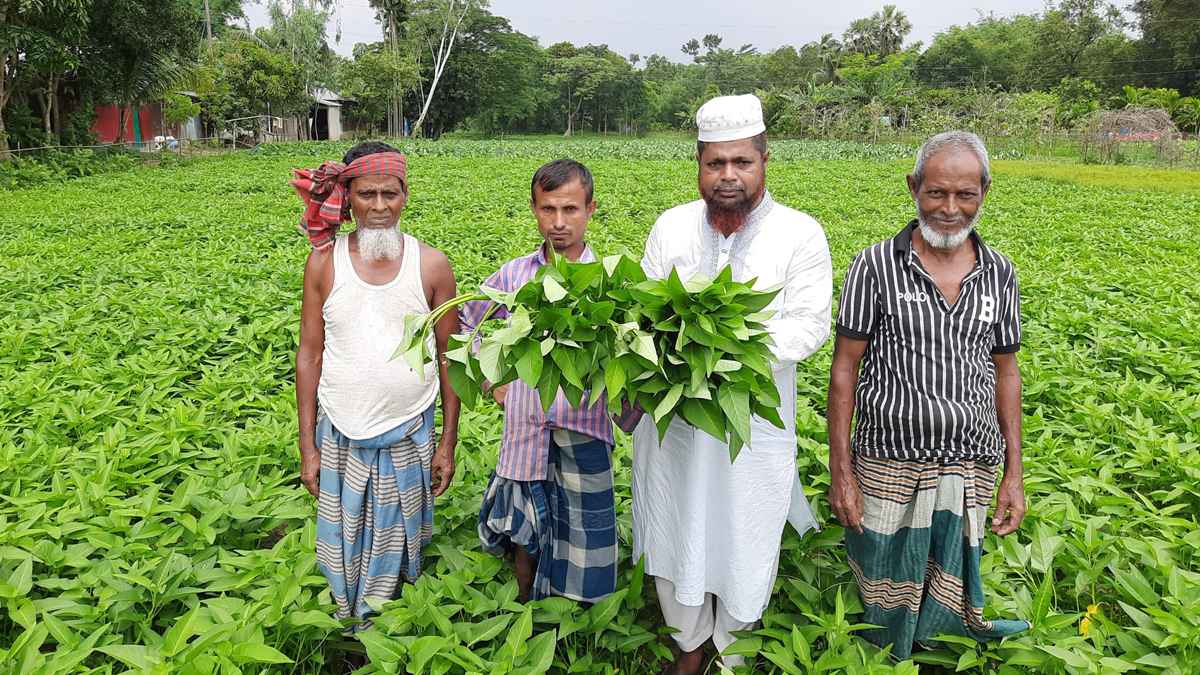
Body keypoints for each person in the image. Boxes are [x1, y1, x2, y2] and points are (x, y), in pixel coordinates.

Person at [633, 94, 832, 673]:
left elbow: (808, 324)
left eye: (741, 163)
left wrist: (725, 351)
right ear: (698, 164)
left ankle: (733, 645)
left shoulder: (800, 234)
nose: (727, 177)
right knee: (676, 520)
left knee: (745, 526)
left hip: (754, 422)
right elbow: (646, 311)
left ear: (765, 160)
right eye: (715, 163)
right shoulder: (670, 226)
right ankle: (689, 641)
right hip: (676, 422)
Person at [826, 130, 1029, 659]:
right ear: (913, 187)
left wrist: (1014, 473)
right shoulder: (875, 265)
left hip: (970, 463)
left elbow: (1007, 372)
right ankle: (881, 663)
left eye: (966, 195)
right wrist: (841, 472)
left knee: (948, 591)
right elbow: (844, 369)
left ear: (985, 192)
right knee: (883, 587)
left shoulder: (1000, 273)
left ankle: (936, 661)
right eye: (936, 193)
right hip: (888, 461)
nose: (950, 208)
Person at [292, 141, 461, 628]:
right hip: (339, 430)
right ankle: (352, 623)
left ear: (406, 194)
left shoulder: (431, 266)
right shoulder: (324, 264)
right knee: (343, 540)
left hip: (409, 430)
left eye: (391, 193)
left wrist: (447, 443)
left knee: (400, 539)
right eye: (368, 195)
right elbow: (310, 353)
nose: (380, 207)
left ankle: (387, 630)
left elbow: (450, 358)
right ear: (348, 197)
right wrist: (307, 446)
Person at [460, 159, 618, 604]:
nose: (559, 222)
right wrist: (494, 386)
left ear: (591, 209)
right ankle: (525, 607)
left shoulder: (609, 281)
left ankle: (575, 621)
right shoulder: (514, 276)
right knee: (525, 530)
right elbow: (466, 325)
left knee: (584, 529)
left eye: (570, 209)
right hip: (525, 424)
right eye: (548, 209)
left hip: (583, 426)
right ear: (534, 209)